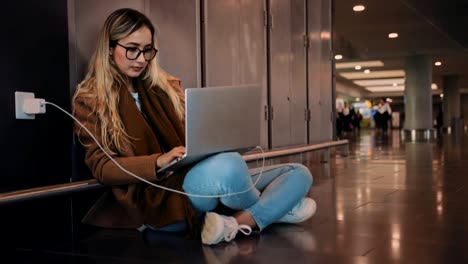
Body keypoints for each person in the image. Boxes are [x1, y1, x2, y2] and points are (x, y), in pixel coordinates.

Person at [72, 8, 315, 246]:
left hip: (192, 174)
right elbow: (102, 168)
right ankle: (273, 209)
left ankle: (236, 222)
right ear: (110, 48)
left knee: (298, 172)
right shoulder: (91, 99)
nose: (142, 59)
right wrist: (158, 161)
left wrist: (209, 142)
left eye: (147, 50)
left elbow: (194, 135)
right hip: (155, 196)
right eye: (132, 50)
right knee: (230, 165)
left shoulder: (166, 86)